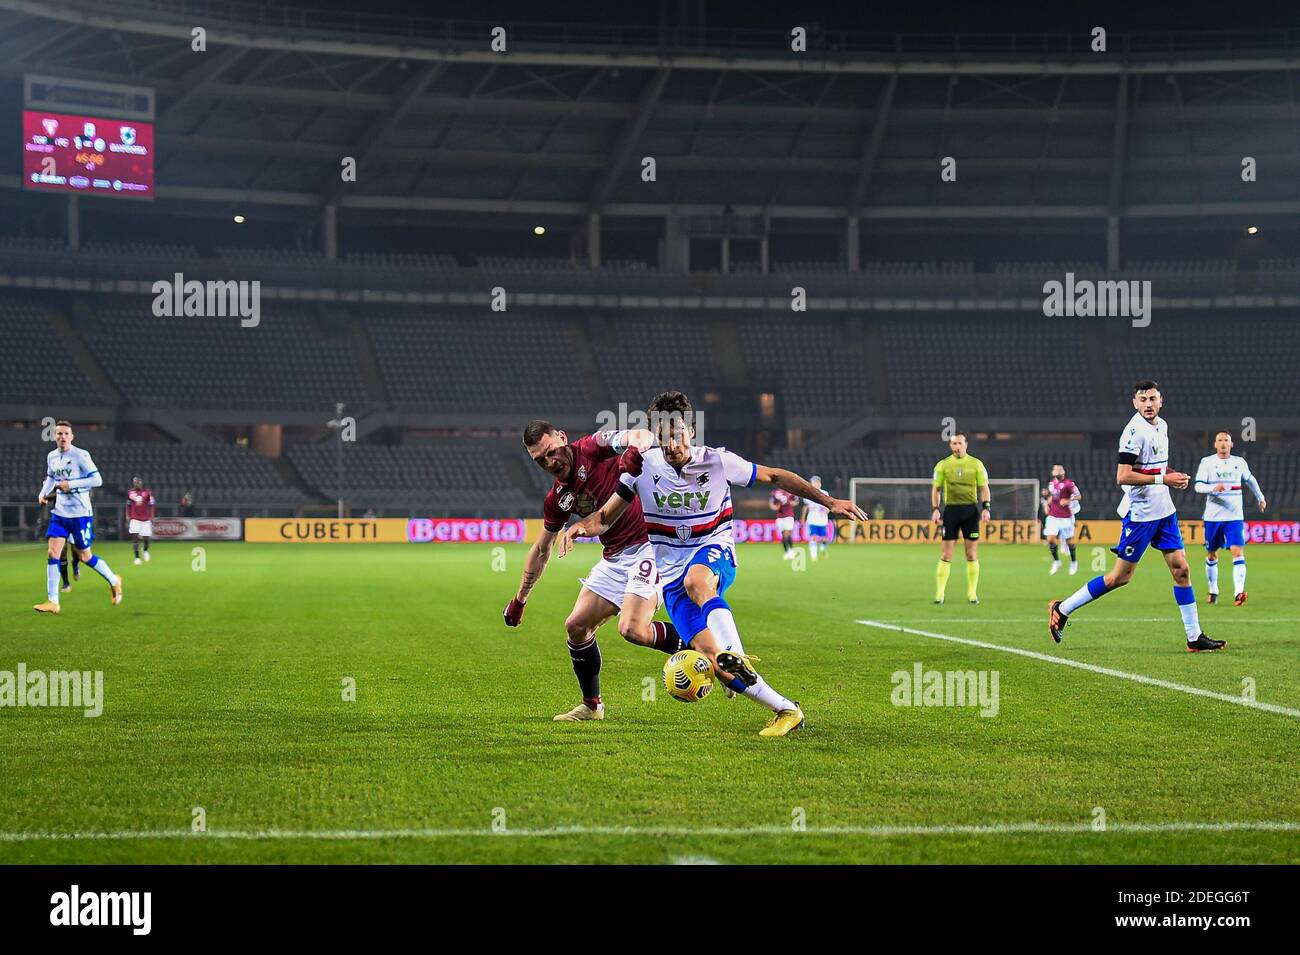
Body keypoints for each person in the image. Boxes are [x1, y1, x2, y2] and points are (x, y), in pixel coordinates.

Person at [562, 390, 867, 737]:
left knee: (698, 583)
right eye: (663, 437)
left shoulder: (719, 461)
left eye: (677, 434)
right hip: (670, 575)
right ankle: (786, 709)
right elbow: (605, 517)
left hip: (713, 551)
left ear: (691, 430)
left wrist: (828, 502)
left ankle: (734, 652)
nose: (672, 443)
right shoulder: (641, 469)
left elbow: (775, 477)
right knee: (719, 665)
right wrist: (580, 528)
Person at [505, 421, 680, 722]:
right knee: (576, 626)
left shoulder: (593, 446)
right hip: (615, 556)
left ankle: (711, 648)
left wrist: (635, 450)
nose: (551, 462)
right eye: (540, 461)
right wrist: (520, 599)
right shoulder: (558, 498)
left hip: (651, 544)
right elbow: (541, 549)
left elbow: (643, 435)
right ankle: (592, 706)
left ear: (562, 436)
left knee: (633, 629)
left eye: (551, 452)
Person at [1049, 381, 1224, 652]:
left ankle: (1194, 636)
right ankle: (1063, 608)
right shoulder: (1133, 433)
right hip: (1141, 515)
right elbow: (1123, 476)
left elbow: (1156, 466)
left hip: (1165, 511)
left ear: (1161, 400)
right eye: (1143, 400)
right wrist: (1164, 478)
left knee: (1182, 569)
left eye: (1152, 398)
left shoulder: (1162, 426)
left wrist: (1171, 476)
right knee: (1120, 578)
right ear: (1135, 403)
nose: (1148, 404)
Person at [34, 420, 122, 614]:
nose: (62, 437)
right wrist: (43, 493)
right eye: (59, 434)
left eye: (66, 433)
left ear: (72, 437)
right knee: (52, 553)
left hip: (80, 514)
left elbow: (97, 480)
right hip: (60, 512)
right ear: (54, 436)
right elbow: (50, 477)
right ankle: (53, 601)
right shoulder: (52, 457)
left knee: (84, 556)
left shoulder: (80, 455)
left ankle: (114, 580)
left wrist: (71, 484)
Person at [1194, 431, 1266, 606]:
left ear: (1232, 444)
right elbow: (1198, 486)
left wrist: (1260, 497)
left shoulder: (1239, 463)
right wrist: (1212, 488)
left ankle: (1238, 593)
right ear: (1215, 444)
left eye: (1226, 440)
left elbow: (1250, 480)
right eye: (1220, 440)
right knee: (1212, 554)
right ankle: (1213, 590)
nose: (1223, 443)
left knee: (1237, 552)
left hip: (1234, 516)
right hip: (1213, 517)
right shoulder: (1207, 462)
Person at [930, 433, 990, 604]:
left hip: (970, 511)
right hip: (951, 512)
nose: (957, 446)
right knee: (946, 553)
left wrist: (986, 508)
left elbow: (984, 487)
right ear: (950, 445)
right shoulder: (943, 465)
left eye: (959, 443)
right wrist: (935, 509)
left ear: (966, 444)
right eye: (954, 443)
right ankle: (940, 594)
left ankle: (972, 594)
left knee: (971, 554)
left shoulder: (976, 464)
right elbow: (936, 489)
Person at [1044, 464, 1081, 576]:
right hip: (1053, 515)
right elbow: (1052, 496)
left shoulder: (1069, 484)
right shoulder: (1052, 484)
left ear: (1063, 472)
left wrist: (1068, 500)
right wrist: (1047, 503)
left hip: (1065, 517)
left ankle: (1074, 562)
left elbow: (1078, 496)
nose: (1055, 471)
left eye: (1058, 469)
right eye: (1054, 469)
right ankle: (1057, 561)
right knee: (1050, 539)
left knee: (1070, 542)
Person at [126, 476, 155, 565]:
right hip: (134, 518)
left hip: (145, 519)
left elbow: (152, 504)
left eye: (138, 482)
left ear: (141, 483)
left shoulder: (147, 492)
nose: (137, 483)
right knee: (135, 538)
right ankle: (137, 558)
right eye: (135, 482)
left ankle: (145, 550)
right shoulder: (130, 493)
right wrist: (127, 515)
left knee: (146, 538)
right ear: (133, 483)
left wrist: (152, 516)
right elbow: (128, 505)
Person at [801, 475, 832, 560]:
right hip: (812, 519)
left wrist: (827, 510)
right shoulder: (808, 493)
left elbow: (828, 506)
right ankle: (813, 555)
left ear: (819, 484)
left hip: (822, 519)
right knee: (813, 537)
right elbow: (806, 507)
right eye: (813, 482)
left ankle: (823, 549)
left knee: (824, 539)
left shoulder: (825, 493)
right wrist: (803, 518)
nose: (815, 484)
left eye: (816, 482)